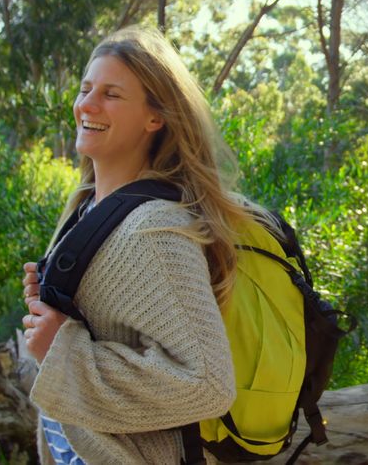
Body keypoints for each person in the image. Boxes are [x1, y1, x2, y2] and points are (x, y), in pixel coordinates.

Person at [19, 26, 254, 463]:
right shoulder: (87, 206)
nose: (86, 104)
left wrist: (61, 350)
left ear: (155, 117)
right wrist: (52, 313)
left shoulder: (155, 229)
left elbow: (207, 383)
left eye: (111, 94)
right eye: (86, 88)